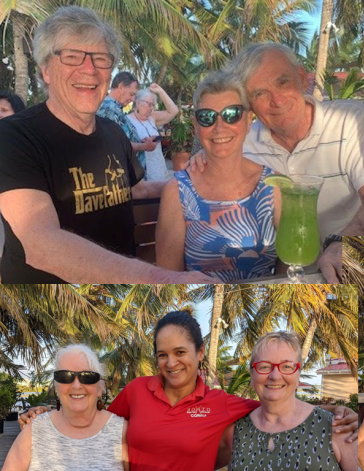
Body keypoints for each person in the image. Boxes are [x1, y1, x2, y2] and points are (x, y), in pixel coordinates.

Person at [18, 310, 359, 471]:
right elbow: (94, 421)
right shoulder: (137, 391)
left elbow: (277, 400)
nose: (171, 363)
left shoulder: (219, 403)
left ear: (198, 353)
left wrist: (334, 412)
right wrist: (48, 414)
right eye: (162, 355)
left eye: (180, 352)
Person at [0, 6, 208, 283]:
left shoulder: (113, 132)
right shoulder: (13, 136)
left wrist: (193, 180)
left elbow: (139, 189)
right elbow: (39, 243)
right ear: (46, 70)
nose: (89, 69)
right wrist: (163, 278)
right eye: (72, 56)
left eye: (101, 59)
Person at [226, 42, 364, 283]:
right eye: (259, 93)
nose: (276, 100)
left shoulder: (350, 120)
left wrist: (344, 245)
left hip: (346, 271)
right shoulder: (242, 145)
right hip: (280, 279)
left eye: (282, 82)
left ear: (301, 77)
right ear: (249, 104)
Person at [213, 331, 357, 471]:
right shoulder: (235, 430)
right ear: (252, 373)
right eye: (264, 366)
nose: (275, 375)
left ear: (298, 373)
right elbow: (196, 469)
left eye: (287, 366)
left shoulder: (337, 428)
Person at [156, 71, 278, 282]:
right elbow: (170, 279)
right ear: (196, 126)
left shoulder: (274, 186)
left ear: (248, 121)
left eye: (232, 114)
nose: (219, 127)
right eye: (207, 117)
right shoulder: (177, 191)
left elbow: (289, 272)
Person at [0, 345, 127, 471]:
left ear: (100, 388)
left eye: (87, 377)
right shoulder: (34, 429)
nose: (76, 385)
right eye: (65, 376)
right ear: (56, 387)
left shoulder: (120, 430)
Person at [97, 71, 158, 172]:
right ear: (120, 87)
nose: (133, 99)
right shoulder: (109, 109)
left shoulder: (115, 108)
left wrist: (140, 141)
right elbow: (115, 144)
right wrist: (144, 146)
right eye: (131, 94)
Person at [127, 84, 180, 182]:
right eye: (149, 104)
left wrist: (160, 91)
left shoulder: (153, 117)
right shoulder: (127, 121)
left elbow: (174, 111)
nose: (152, 108)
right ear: (138, 103)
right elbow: (124, 147)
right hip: (142, 173)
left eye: (153, 105)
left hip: (159, 170)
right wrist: (142, 145)